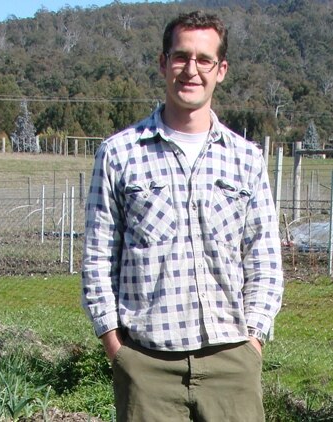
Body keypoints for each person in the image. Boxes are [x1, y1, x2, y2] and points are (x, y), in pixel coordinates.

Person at [81, 10, 284, 422]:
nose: (191, 70)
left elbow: (264, 258)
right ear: (163, 63)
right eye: (180, 57)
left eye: (204, 60)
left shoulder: (246, 159)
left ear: (220, 70)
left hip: (232, 362)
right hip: (147, 365)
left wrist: (253, 342)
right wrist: (117, 350)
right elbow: (98, 257)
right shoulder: (120, 154)